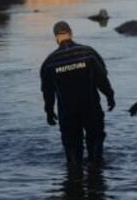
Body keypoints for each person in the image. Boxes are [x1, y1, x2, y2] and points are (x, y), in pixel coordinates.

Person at [40, 21, 115, 167]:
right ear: (71, 33)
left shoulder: (49, 62)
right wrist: (110, 96)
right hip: (91, 108)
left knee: (73, 152)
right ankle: (96, 174)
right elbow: (102, 77)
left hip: (67, 113)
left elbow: (47, 91)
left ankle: (74, 177)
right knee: (96, 144)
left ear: (56, 38)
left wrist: (49, 111)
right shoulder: (88, 53)